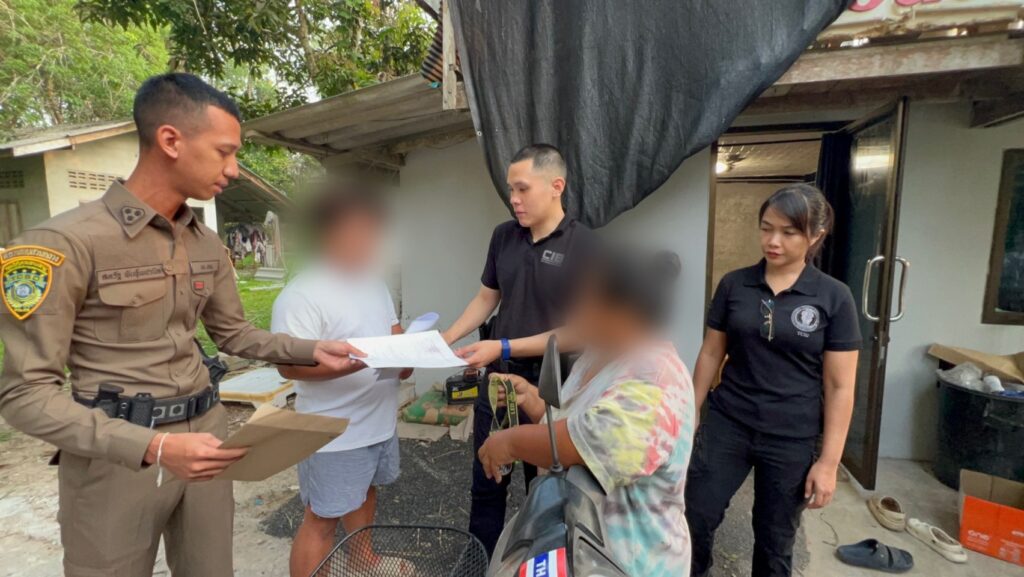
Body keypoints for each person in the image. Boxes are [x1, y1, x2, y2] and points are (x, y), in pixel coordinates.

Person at [0, 73, 363, 577]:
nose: (233, 169)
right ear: (171, 140)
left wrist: (311, 349)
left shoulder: (205, 243)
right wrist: (155, 447)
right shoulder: (63, 244)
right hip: (116, 454)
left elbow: (234, 334)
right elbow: (24, 394)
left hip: (207, 440)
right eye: (224, 152)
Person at [478, 248, 696, 577]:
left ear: (622, 312)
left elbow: (583, 443)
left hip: (628, 562)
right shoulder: (599, 352)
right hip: (578, 544)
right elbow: (572, 420)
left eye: (585, 300)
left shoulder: (655, 380)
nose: (574, 310)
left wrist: (511, 442)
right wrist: (530, 398)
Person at [685, 183, 861, 577]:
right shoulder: (735, 284)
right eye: (766, 228)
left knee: (775, 538)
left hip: (791, 436)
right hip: (729, 423)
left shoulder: (834, 297)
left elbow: (840, 387)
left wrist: (829, 462)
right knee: (694, 516)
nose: (773, 241)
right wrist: (691, 409)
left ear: (815, 235)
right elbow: (711, 352)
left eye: (788, 232)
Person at [440, 143, 596, 556]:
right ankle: (479, 559)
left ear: (556, 186)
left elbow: (581, 331)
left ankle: (539, 561)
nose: (513, 198)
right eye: (511, 189)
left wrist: (503, 345)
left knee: (546, 487)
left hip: (553, 386)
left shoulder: (584, 245)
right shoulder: (503, 236)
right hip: (500, 381)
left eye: (522, 188)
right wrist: (446, 338)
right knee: (488, 478)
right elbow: (487, 297)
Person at [272, 185, 413, 577]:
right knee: (322, 518)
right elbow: (287, 366)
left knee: (365, 491)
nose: (367, 241)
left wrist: (408, 356)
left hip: (378, 422)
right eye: (356, 231)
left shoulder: (374, 282)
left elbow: (394, 333)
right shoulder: (302, 295)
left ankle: (363, 560)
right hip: (332, 432)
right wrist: (355, 364)